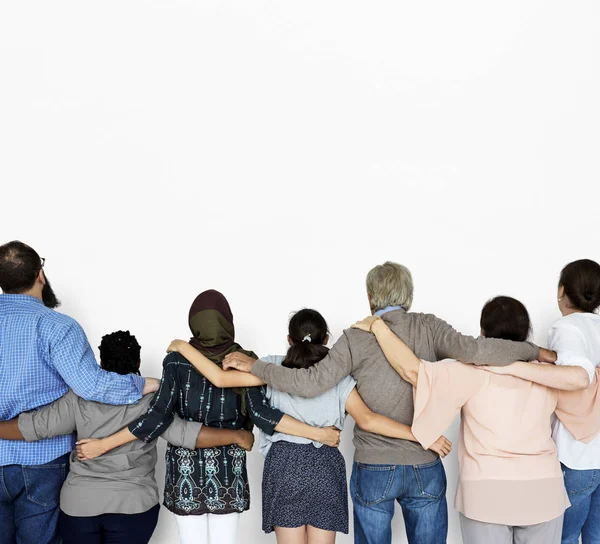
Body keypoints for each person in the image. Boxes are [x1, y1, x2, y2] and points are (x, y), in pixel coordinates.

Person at [223, 262, 555, 544]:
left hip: (373, 467)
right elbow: (480, 351)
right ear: (408, 296)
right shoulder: (429, 326)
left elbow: (310, 383)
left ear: (369, 299)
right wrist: (533, 351)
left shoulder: (355, 337)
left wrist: (257, 366)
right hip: (424, 461)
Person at [164, 308, 452, 544]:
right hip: (325, 467)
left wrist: (180, 347)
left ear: (289, 339)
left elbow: (221, 379)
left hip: (284, 467)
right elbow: (369, 420)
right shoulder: (338, 377)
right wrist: (420, 435)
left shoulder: (270, 367)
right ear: (327, 338)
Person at [75, 290, 340, 544]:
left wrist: (104, 444)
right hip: (228, 470)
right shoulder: (245, 359)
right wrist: (245, 433)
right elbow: (258, 413)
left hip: (185, 473)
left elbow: (158, 417)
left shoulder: (176, 361)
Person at [352, 296, 600, 544]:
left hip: (485, 493)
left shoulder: (471, 371)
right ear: (526, 333)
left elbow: (412, 370)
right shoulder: (549, 375)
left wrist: (378, 327)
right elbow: (584, 392)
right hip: (544, 491)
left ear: (483, 333)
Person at [0, 330, 255, 543]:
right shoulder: (151, 400)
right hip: (133, 505)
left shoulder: (79, 398)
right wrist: (236, 436)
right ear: (138, 362)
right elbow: (186, 435)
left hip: (80, 505)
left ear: (100, 362)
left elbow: (33, 426)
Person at [0, 241, 158, 544]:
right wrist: (143, 384)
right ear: (40, 274)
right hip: (41, 461)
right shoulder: (57, 327)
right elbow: (92, 387)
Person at [481, 260, 600, 544]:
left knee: (565, 538)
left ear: (562, 291)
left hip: (577, 454)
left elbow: (578, 376)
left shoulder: (567, 328)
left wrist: (512, 366)